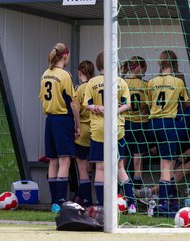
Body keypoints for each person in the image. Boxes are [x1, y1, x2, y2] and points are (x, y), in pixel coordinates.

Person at [83, 51, 136, 213]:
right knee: (120, 167)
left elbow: (87, 104)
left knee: (100, 167)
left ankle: (102, 205)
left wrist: (97, 108)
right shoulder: (121, 82)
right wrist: (115, 110)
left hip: (98, 130)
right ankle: (132, 204)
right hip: (116, 129)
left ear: (99, 65)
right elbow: (128, 104)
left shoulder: (92, 82)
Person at [39, 43, 80, 213]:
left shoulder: (45, 74)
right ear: (66, 56)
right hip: (63, 119)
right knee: (65, 160)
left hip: (50, 120)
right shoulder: (64, 75)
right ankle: (60, 201)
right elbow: (73, 102)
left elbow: (41, 97)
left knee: (53, 161)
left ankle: (54, 202)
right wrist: (77, 124)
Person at [146, 50, 190, 210]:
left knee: (166, 163)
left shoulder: (151, 82)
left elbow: (148, 104)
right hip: (168, 124)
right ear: (174, 63)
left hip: (153, 125)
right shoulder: (178, 82)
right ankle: (164, 202)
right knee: (167, 165)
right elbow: (186, 104)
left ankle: (169, 198)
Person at [123, 56, 149, 190]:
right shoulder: (145, 85)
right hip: (140, 124)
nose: (144, 73)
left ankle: (121, 189)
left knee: (123, 158)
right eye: (144, 70)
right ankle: (137, 190)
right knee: (137, 159)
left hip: (125, 124)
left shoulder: (122, 83)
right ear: (139, 67)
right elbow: (148, 104)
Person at [74, 60, 95, 207]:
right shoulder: (95, 86)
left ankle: (86, 200)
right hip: (95, 130)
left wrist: (76, 125)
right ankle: (81, 196)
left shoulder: (79, 89)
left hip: (82, 131)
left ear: (80, 72)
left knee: (81, 167)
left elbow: (74, 107)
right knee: (92, 166)